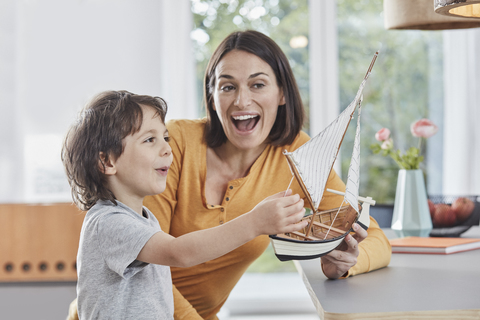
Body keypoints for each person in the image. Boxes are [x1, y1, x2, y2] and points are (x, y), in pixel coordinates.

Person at [68, 30, 392, 320]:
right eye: (227, 86)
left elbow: (371, 236)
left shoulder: (294, 154)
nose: (241, 100)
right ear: (212, 95)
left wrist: (345, 262)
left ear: (282, 94)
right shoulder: (171, 148)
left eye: (258, 84)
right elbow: (165, 260)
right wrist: (255, 222)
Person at [61, 90, 307, 319]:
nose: (168, 149)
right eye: (149, 140)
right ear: (107, 161)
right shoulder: (109, 222)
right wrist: (254, 223)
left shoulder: (143, 218)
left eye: (165, 137)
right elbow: (180, 252)